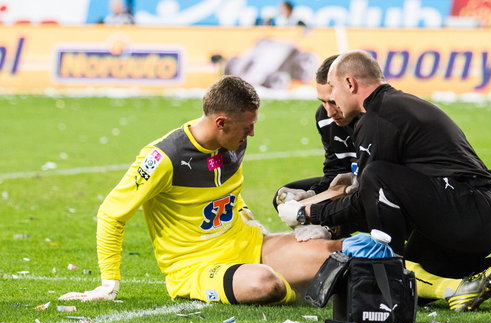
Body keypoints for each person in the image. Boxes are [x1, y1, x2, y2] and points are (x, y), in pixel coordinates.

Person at [278, 50, 491, 311]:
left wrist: (310, 212)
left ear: (350, 84)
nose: (331, 99)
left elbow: (367, 197)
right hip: (473, 212)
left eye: (333, 89)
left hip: (466, 212)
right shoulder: (395, 105)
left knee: (376, 184)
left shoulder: (378, 117)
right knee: (419, 283)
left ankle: (387, 268)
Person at [59, 76, 342, 305]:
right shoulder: (163, 158)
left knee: (337, 254)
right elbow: (111, 214)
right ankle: (302, 289)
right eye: (248, 126)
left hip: (250, 245)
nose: (252, 134)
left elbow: (225, 192)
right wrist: (109, 281)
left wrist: (247, 216)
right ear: (221, 123)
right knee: (265, 285)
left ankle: (305, 283)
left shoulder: (234, 142)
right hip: (198, 268)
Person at [273, 55, 366, 241]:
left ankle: (332, 228)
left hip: (376, 191)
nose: (329, 111)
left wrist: (312, 211)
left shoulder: (373, 119)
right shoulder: (325, 116)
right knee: (284, 197)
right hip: (351, 189)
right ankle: (331, 236)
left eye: (333, 101)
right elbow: (335, 171)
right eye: (322, 101)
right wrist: (312, 194)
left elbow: (381, 182)